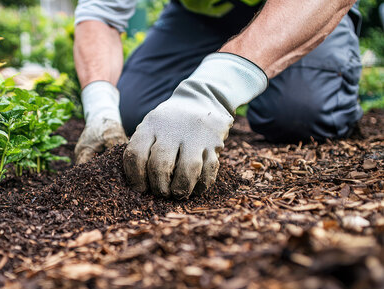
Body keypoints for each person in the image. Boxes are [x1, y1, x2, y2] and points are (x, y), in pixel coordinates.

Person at [73, 0, 363, 199]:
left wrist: (213, 92)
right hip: (199, 15)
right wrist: (99, 106)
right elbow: (100, 14)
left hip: (295, 11)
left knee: (299, 113)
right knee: (131, 112)